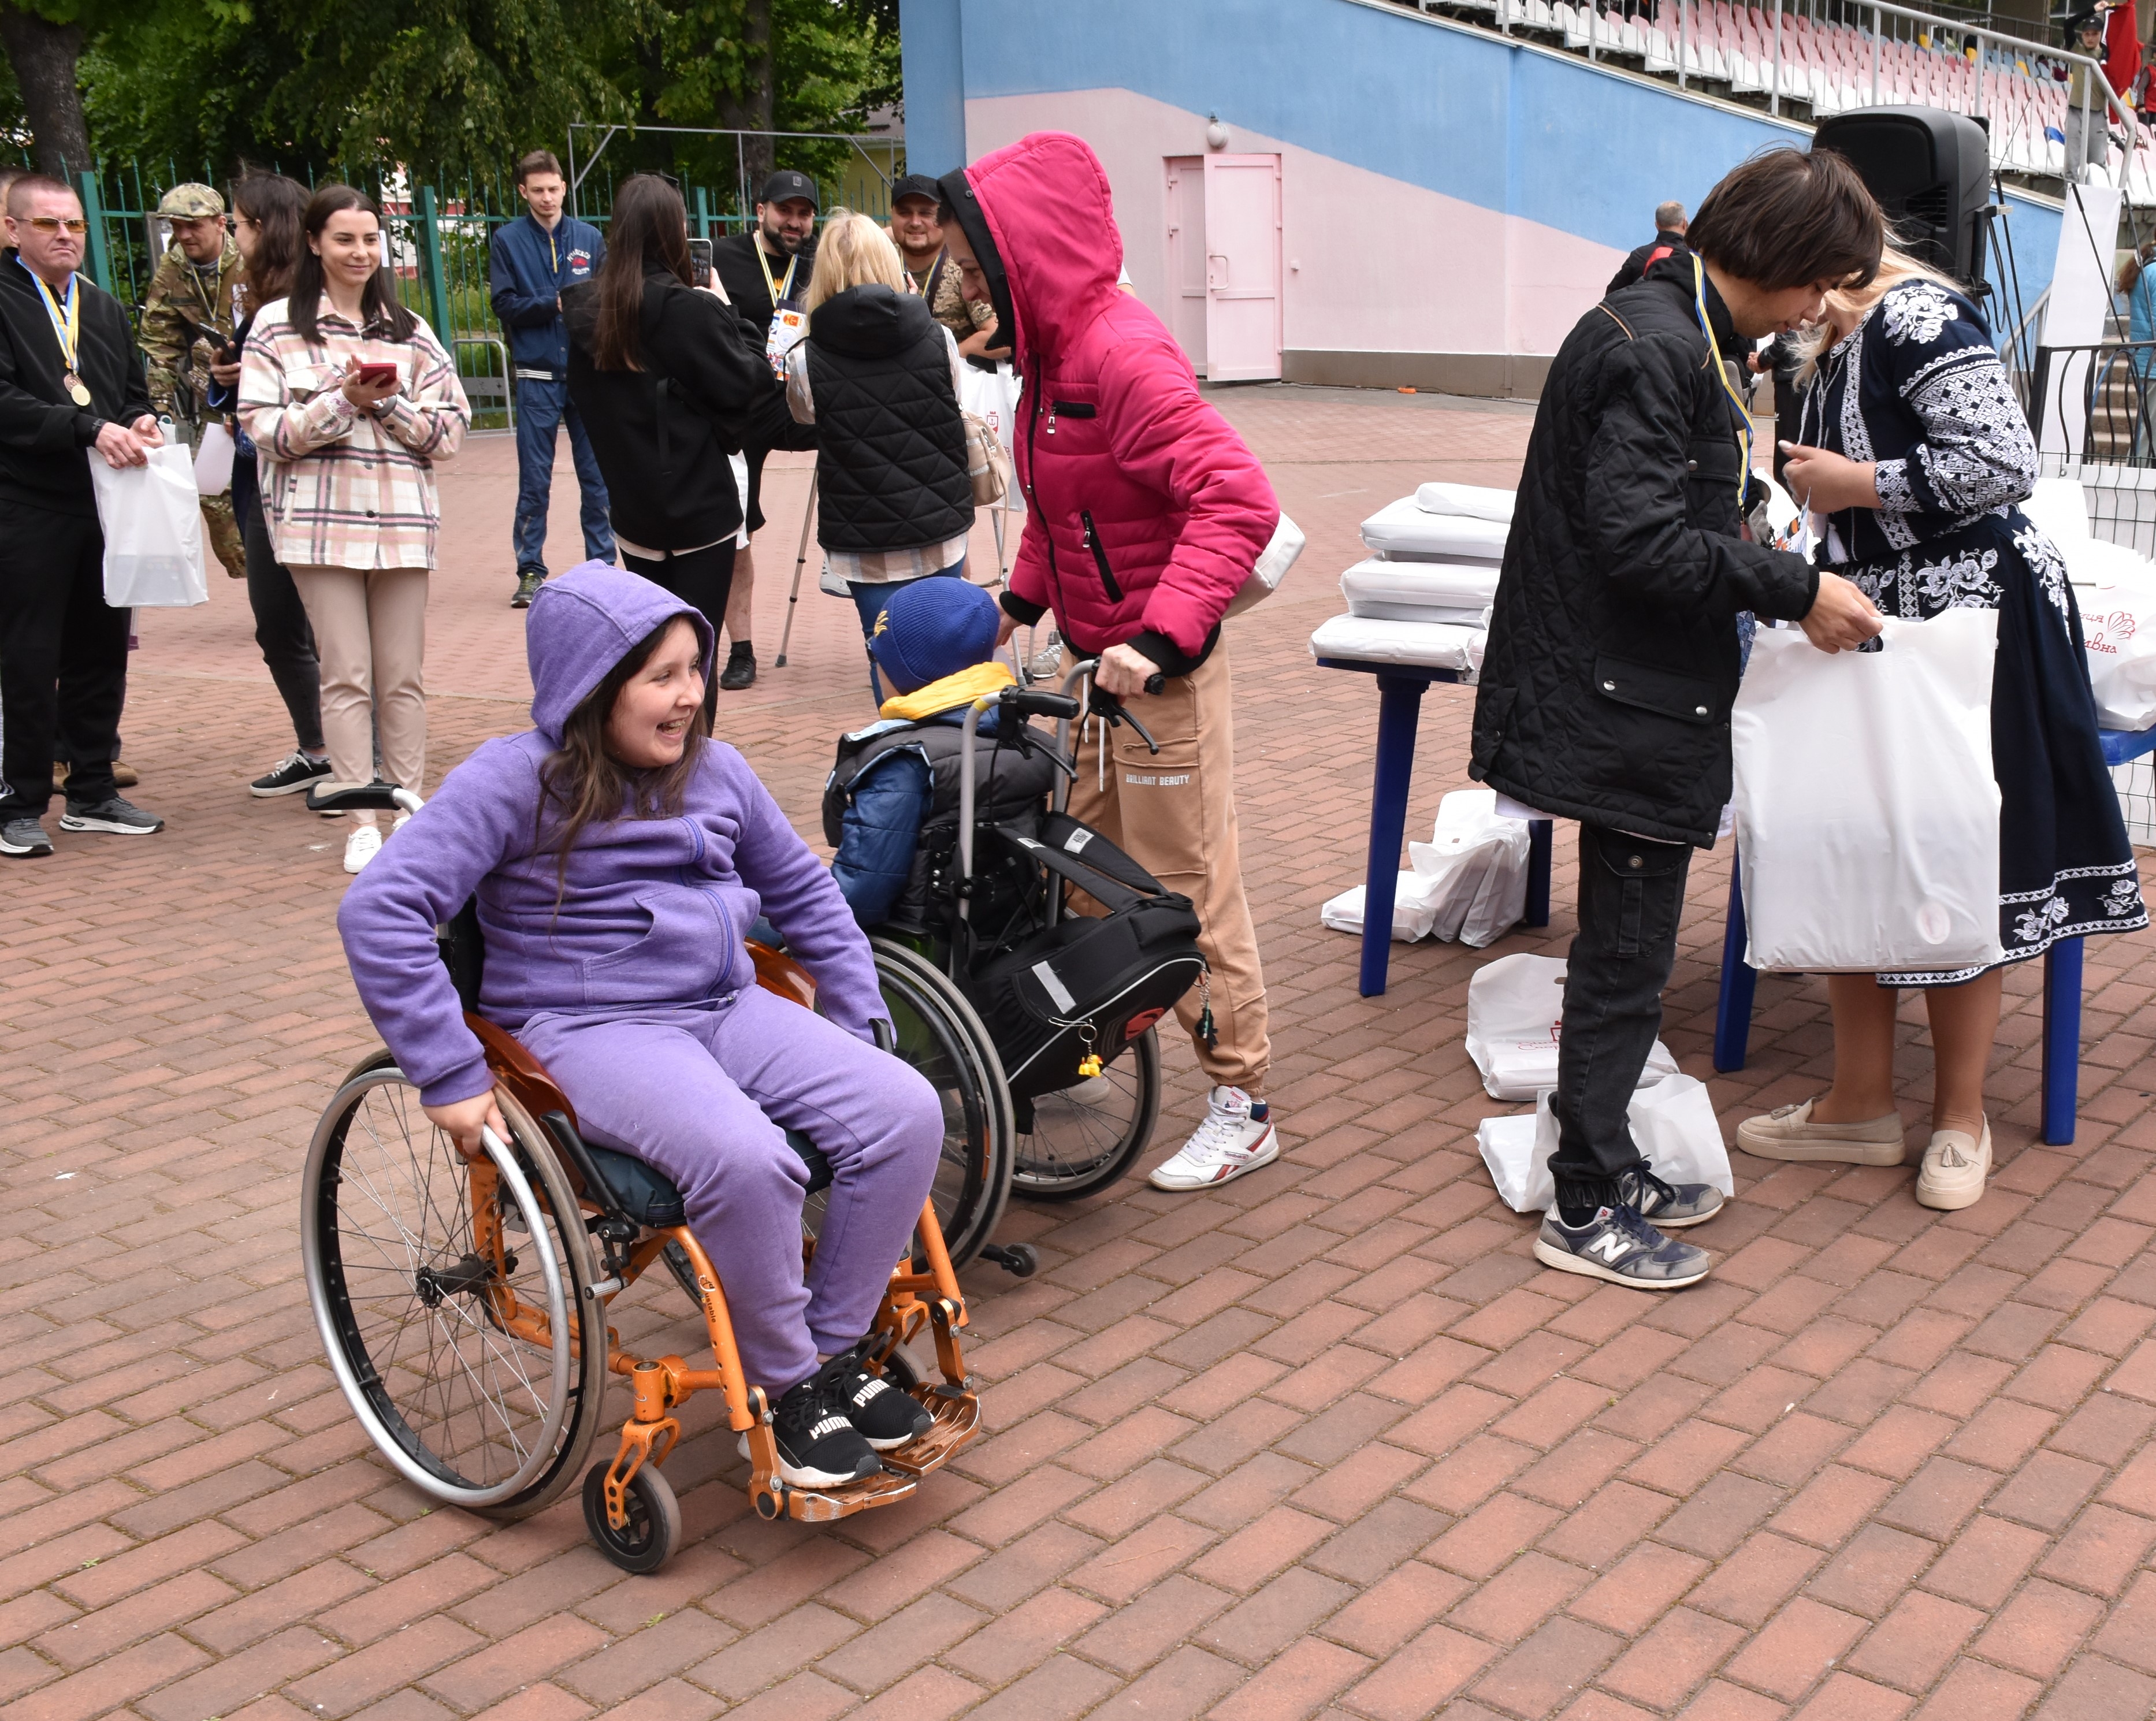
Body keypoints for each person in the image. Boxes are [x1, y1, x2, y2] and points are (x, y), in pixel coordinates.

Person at [337, 562, 945, 1488]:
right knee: (746, 1160)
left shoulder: (718, 771)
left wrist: (857, 1006)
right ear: (591, 687)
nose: (690, 697)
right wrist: (448, 1070)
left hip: (724, 1002)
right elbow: (380, 910)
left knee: (905, 1112)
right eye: (662, 677)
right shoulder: (512, 781)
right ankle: (782, 1388)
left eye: (695, 671)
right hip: (586, 1025)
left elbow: (807, 895)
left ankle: (823, 1358)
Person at [1469, 146, 1886, 1290]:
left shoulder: (1672, 322)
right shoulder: (1658, 346)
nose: (1821, 308)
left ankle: (1595, 1151)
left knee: (1624, 952)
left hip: (1631, 690)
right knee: (1624, 957)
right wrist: (1798, 590)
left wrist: (1751, 550)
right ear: (1786, 262)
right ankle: (1588, 1202)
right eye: (1823, 282)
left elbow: (1659, 519)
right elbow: (1642, 541)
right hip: (1627, 698)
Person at [1744, 250, 2147, 1208]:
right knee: (1851, 839)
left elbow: (2002, 461)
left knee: (1960, 849)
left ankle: (1958, 1115)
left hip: (1967, 623)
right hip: (1863, 612)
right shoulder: (1818, 337)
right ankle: (1859, 1102)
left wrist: (1856, 480)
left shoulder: (1918, 314)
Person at [936, 132, 1286, 1192]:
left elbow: (1239, 499)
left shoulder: (1121, 354)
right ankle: (1097, 1046)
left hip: (1158, 680)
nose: (956, 279)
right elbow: (1062, 507)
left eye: (967, 257)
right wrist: (1016, 604)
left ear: (1019, 253)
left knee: (1185, 889)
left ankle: (1244, 1098)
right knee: (1082, 871)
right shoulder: (1045, 358)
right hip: (1096, 674)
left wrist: (1159, 635)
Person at [239, 184, 471, 875]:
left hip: (402, 523)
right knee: (347, 675)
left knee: (402, 677)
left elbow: (451, 432)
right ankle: (360, 818)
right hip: (319, 529)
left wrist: (392, 403)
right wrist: (341, 400)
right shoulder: (278, 327)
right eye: (345, 239)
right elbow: (267, 433)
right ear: (314, 243)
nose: (361, 252)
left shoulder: (411, 330)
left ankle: (410, 812)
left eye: (371, 239)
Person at [563, 173, 796, 687]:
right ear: (674, 231)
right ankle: (693, 764)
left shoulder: (586, 311)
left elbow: (584, 400)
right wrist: (726, 309)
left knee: (656, 658)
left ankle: (657, 759)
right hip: (700, 507)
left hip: (632, 507)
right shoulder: (688, 308)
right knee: (696, 661)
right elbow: (751, 380)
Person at [0, 173, 169, 857]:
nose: (66, 236)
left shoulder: (100, 308)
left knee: (102, 651)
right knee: (31, 655)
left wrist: (140, 419)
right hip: (26, 503)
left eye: (74, 224)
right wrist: (86, 428)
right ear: (14, 230)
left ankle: (94, 790)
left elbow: (129, 391)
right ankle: (20, 800)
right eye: (48, 225)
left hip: (107, 504)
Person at [784, 209, 974, 694]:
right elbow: (953, 396)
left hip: (865, 537)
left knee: (887, 656)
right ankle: (953, 755)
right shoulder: (940, 338)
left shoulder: (807, 357)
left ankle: (900, 748)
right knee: (948, 651)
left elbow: (806, 415)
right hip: (939, 524)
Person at [827, 576, 1055, 929]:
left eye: (879, 658)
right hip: (1003, 925)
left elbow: (861, 893)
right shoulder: (1023, 737)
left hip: (915, 937)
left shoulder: (904, 764)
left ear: (904, 671)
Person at [204, 173, 332, 800]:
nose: (231, 231)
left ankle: (361, 755)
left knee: (334, 624)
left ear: (266, 227)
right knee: (276, 621)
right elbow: (243, 394)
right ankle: (316, 748)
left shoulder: (313, 303)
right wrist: (223, 376)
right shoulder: (247, 298)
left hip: (313, 480)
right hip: (257, 479)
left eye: (238, 222)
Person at [711, 168, 821, 691]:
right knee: (734, 529)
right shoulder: (722, 256)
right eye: (785, 211)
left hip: (806, 402)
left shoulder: (825, 259)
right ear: (761, 211)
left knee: (861, 451)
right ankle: (742, 649)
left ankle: (856, 577)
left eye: (804, 213)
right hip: (743, 405)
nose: (795, 221)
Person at [489, 149, 612, 609]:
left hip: (586, 372)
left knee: (597, 478)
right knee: (535, 478)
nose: (547, 197)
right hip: (537, 374)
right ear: (524, 192)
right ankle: (530, 570)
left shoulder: (589, 237)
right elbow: (503, 303)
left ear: (565, 187)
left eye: (553, 188)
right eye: (537, 190)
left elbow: (605, 297)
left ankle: (600, 567)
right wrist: (552, 303)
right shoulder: (507, 240)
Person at [139, 182, 247, 582]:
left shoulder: (251, 260)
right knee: (212, 491)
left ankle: (293, 584)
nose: (183, 235)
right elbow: (160, 341)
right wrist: (160, 410)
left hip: (269, 390)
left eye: (193, 225)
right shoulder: (174, 269)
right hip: (216, 397)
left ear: (221, 223)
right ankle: (255, 578)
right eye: (176, 226)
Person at [887, 172, 998, 356]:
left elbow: (997, 334)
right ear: (892, 214)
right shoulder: (880, 264)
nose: (915, 222)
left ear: (942, 216)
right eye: (905, 213)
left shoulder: (964, 266)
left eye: (926, 213)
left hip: (955, 379)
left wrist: (946, 359)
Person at [2062, 13, 2114, 183]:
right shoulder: (2077, 50)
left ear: (2101, 35)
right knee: (2071, 163)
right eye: (2087, 34)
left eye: (2095, 34)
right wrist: (2093, 9)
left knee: (2097, 164)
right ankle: (2070, 202)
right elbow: (2068, 25)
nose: (2091, 38)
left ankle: (2094, 204)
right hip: (2076, 112)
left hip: (2097, 115)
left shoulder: (2107, 57)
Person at [1605, 199, 1689, 295]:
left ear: (1657, 225)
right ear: (1684, 224)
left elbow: (1613, 293)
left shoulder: (1638, 255)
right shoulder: (1693, 259)